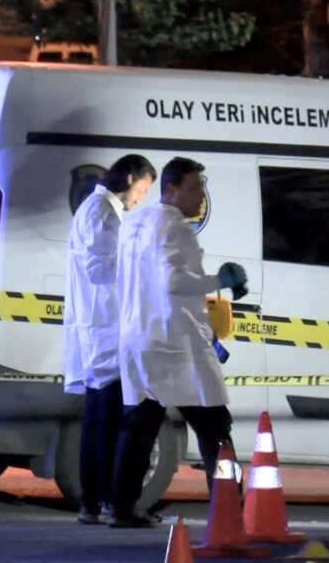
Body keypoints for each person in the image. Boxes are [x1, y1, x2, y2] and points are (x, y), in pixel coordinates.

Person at [110, 156, 247, 528]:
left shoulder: (134, 222)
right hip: (176, 345)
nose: (201, 194)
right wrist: (219, 281)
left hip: (138, 339)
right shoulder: (175, 227)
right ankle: (230, 511)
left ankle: (121, 508)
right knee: (215, 430)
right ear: (171, 189)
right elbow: (175, 282)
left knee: (139, 428)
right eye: (194, 187)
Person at [62, 153, 157, 525]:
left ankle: (92, 502)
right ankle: (103, 500)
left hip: (99, 329)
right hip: (107, 330)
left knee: (97, 421)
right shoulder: (103, 212)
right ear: (130, 178)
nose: (140, 199)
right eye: (142, 190)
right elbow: (101, 269)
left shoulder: (95, 209)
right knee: (108, 421)